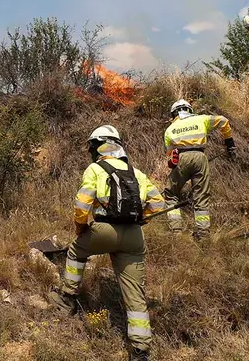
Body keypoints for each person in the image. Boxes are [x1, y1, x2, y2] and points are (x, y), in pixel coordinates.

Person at [48, 125, 165, 361]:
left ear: (99, 146)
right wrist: (143, 218)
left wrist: (81, 228)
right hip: (134, 235)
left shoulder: (95, 168)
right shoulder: (137, 173)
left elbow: (82, 205)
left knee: (75, 251)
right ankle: (140, 351)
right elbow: (158, 205)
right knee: (135, 293)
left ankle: (68, 298)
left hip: (103, 229)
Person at [162, 100, 236, 239]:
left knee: (171, 194)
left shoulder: (169, 129)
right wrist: (229, 142)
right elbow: (223, 121)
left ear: (174, 114)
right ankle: (203, 234)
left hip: (182, 159)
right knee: (201, 196)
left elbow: (170, 158)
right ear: (189, 110)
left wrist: (175, 165)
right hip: (200, 157)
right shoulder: (201, 119)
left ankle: (176, 231)